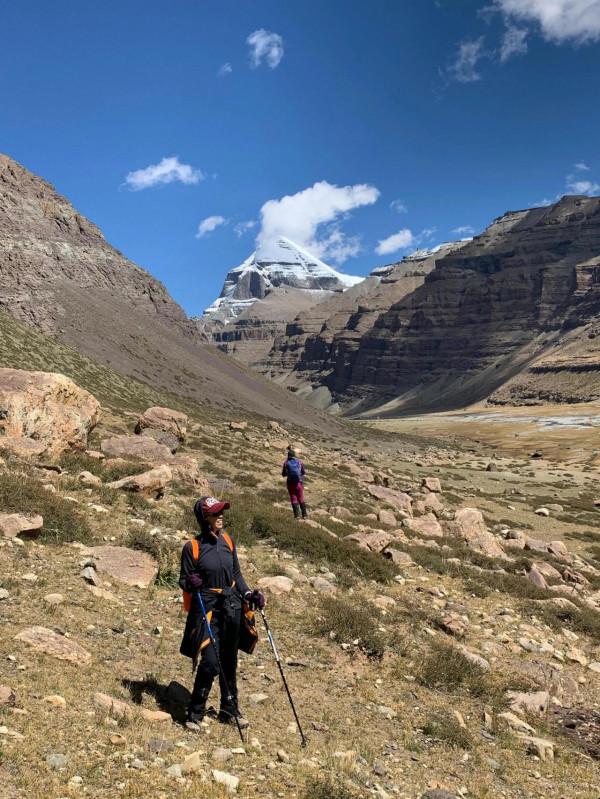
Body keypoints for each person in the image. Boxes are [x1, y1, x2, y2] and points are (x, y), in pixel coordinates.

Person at [179, 495, 265, 728]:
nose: (220, 516)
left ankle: (229, 710)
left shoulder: (228, 541)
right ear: (204, 517)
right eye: (215, 513)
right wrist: (192, 582)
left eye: (221, 512)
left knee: (229, 659)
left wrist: (248, 594)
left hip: (232, 606)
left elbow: (236, 574)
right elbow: (184, 580)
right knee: (210, 661)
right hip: (207, 608)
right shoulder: (192, 547)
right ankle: (195, 712)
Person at [282, 448, 307, 519]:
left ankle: (297, 516)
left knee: (293, 498)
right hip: (299, 483)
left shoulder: (286, 463)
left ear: (288, 455)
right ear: (294, 455)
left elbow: (283, 474)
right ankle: (305, 515)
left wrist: (288, 474)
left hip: (290, 483)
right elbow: (303, 472)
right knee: (301, 498)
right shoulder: (299, 462)